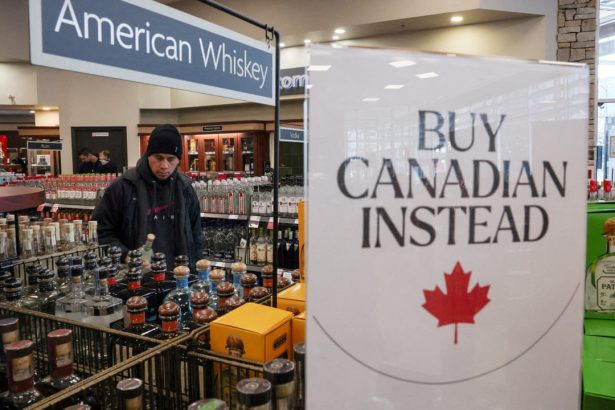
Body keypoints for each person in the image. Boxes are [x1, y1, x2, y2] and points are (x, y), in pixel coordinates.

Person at [93, 124, 203, 269]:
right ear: (148, 155)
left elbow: (196, 236)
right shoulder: (123, 187)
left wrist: (197, 272)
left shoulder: (185, 189)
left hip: (180, 277)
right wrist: (126, 256)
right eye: (158, 158)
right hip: (136, 277)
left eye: (171, 159)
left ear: (178, 160)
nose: (164, 166)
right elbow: (101, 231)